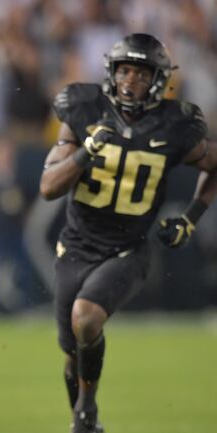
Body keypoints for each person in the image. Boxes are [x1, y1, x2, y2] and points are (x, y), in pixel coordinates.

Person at [39, 33, 217, 433]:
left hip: (128, 250)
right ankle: (86, 421)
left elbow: (213, 164)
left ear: (158, 79)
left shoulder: (176, 124)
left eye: (140, 71)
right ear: (111, 72)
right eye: (124, 69)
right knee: (72, 352)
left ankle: (84, 411)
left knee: (86, 319)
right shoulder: (83, 108)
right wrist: (87, 151)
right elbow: (49, 187)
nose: (130, 79)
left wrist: (191, 216)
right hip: (76, 247)